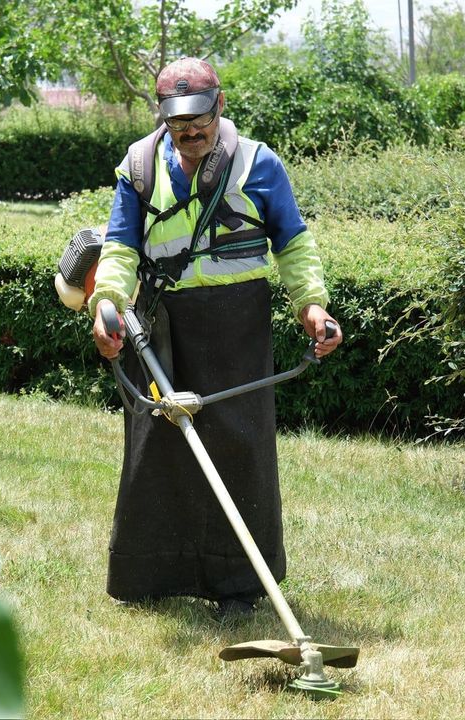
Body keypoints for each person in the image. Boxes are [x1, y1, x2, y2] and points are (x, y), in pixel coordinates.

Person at [87, 57, 341, 617]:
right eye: (179, 124)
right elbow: (121, 248)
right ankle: (149, 575)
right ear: (163, 116)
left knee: (239, 449)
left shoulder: (259, 163)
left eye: (200, 119)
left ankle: (239, 590)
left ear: (219, 106)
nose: (191, 132)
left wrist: (312, 306)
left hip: (236, 327)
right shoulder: (138, 164)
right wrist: (106, 305)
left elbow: (293, 244)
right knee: (156, 449)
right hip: (160, 323)